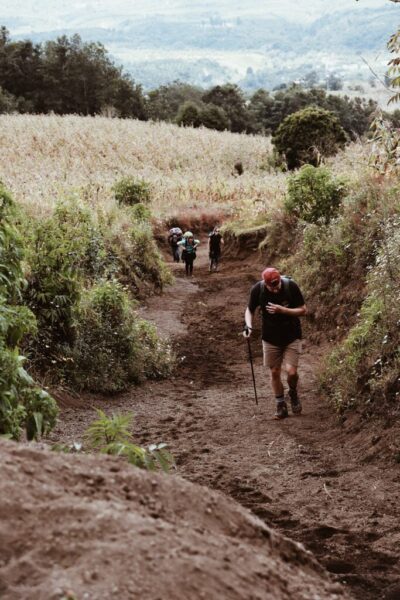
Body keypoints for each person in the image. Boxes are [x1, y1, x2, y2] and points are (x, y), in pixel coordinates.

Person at [243, 267, 307, 419]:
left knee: (292, 372)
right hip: (270, 337)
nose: (276, 288)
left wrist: (283, 310)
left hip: (292, 335)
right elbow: (249, 310)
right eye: (272, 286)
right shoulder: (258, 290)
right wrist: (248, 326)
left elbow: (303, 310)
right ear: (265, 284)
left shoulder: (290, 286)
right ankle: (280, 404)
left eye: (277, 284)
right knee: (275, 371)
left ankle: (292, 392)